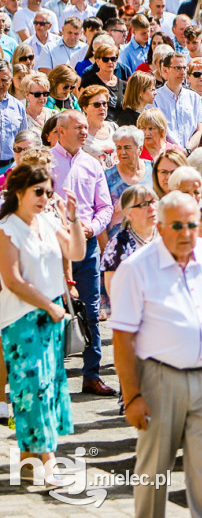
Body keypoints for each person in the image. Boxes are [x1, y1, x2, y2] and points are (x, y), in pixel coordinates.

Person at [110, 191, 202, 518]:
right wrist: (132, 395)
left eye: (192, 225)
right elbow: (122, 338)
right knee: (153, 472)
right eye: (177, 226)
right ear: (161, 225)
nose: (186, 234)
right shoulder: (136, 268)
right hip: (158, 378)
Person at [0, 164, 85, 487]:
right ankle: (48, 465)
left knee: (47, 387)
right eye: (38, 192)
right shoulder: (7, 228)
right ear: (18, 192)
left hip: (51, 319)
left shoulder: (49, 220)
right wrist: (50, 306)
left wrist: (73, 219)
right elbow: (13, 280)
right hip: (21, 320)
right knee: (30, 390)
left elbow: (76, 251)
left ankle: (27, 459)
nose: (44, 198)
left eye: (48, 192)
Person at [52, 110, 114, 396]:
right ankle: (53, 377)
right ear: (60, 130)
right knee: (53, 309)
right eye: (78, 127)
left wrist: (92, 228)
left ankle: (91, 374)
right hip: (52, 247)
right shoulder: (45, 163)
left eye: (86, 128)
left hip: (86, 246)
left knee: (90, 310)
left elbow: (105, 207)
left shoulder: (92, 164)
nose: (84, 132)